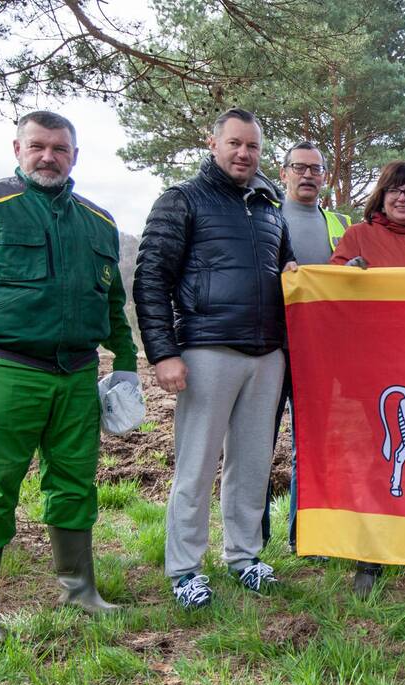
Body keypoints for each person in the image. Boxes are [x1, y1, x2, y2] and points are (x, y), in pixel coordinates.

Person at [0, 111, 139, 647]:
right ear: (17, 148)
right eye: (38, 146)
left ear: (75, 155)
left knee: (75, 483)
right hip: (4, 369)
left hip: (76, 375)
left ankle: (80, 591)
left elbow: (114, 305)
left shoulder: (97, 221)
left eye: (60, 148)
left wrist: (124, 363)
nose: (48, 156)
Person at [134, 108, 297, 609]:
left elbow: (286, 270)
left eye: (252, 146)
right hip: (206, 349)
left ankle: (245, 557)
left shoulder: (271, 206)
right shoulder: (182, 200)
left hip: (266, 353)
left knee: (251, 465)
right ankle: (185, 569)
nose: (244, 153)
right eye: (235, 143)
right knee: (196, 466)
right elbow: (150, 278)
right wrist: (163, 352)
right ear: (213, 143)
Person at [330, 160, 405, 597]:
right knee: (381, 457)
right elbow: (329, 291)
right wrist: (345, 275)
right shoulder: (358, 238)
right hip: (376, 371)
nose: (402, 198)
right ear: (381, 196)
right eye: (393, 191)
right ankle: (371, 553)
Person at [261, 140, 352, 551]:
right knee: (257, 445)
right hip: (269, 349)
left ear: (325, 176)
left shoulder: (341, 225)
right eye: (300, 168)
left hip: (320, 356)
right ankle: (252, 539)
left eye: (316, 169)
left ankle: (305, 537)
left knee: (311, 449)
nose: (308, 175)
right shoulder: (263, 217)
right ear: (283, 174)